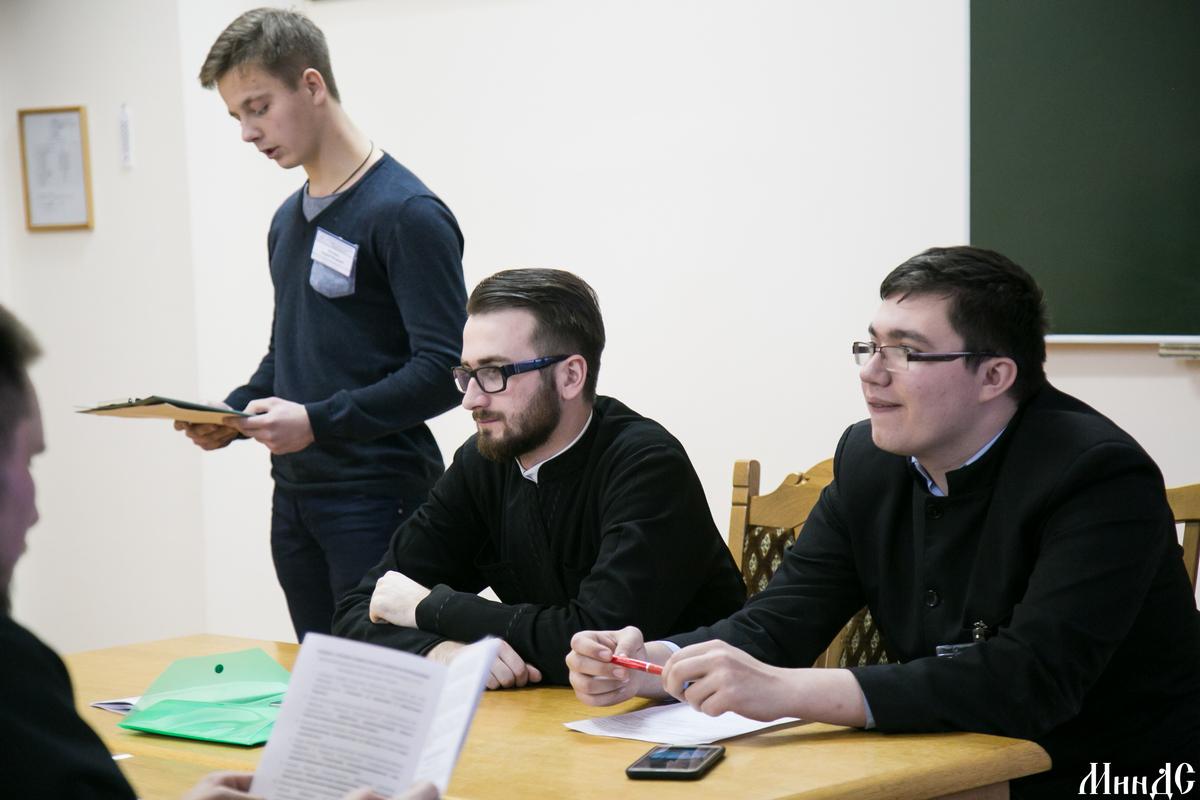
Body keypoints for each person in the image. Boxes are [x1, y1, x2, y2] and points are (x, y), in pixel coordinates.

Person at [566, 246, 1200, 798]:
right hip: (947, 753)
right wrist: (653, 663)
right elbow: (778, 621)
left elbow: (1028, 681)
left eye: (907, 352)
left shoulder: (1096, 474)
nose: (872, 372)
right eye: (869, 346)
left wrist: (784, 691)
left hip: (1113, 770)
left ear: (994, 375)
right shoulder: (869, 459)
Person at [0, 305, 438, 799]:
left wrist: (246, 415)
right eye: (29, 461)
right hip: (302, 492)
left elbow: (434, 363)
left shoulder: (20, 675)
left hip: (372, 489)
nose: (35, 511)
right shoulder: (17, 677)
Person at [182, 8, 468, 640]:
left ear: (311, 85)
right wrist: (232, 413)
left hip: (379, 498)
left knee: (381, 684)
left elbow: (447, 371)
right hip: (295, 499)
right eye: (236, 117)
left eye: (259, 108)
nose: (248, 133)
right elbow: (288, 355)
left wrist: (316, 421)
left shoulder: (406, 213)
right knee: (323, 683)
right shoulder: (287, 221)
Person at [333, 268, 746, 687]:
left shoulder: (647, 464)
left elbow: (598, 647)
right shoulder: (482, 462)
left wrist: (430, 609)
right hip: (548, 711)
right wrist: (440, 651)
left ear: (570, 376)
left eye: (494, 373)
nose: (471, 399)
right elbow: (360, 609)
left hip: (683, 710)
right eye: (466, 374)